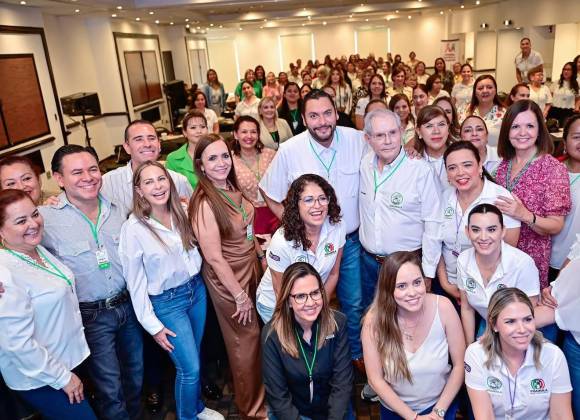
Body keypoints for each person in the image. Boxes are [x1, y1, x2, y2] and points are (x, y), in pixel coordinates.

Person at [260, 89, 367, 371]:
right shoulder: (290, 150)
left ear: (336, 113)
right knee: (307, 301)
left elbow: (389, 149)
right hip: (304, 243)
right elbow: (269, 191)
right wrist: (295, 223)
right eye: (314, 116)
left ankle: (356, 354)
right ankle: (315, 356)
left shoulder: (358, 140)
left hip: (348, 240)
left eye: (327, 113)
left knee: (354, 302)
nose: (322, 121)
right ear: (304, 119)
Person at [40, 145, 144, 420]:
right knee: (109, 386)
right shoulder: (45, 218)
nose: (88, 177)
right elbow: (14, 242)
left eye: (93, 169)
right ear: (59, 179)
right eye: (77, 172)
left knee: (135, 375)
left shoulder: (118, 208)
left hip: (128, 306)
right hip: (90, 315)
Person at [119, 161, 223, 420]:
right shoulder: (134, 229)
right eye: (149, 182)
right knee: (190, 369)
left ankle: (197, 408)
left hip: (196, 292)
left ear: (169, 181)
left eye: (161, 179)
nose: (157, 186)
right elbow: (135, 283)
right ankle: (188, 416)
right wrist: (153, 326)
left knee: (194, 358)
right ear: (139, 190)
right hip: (167, 304)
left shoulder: (183, 212)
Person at [0, 189, 96, 420]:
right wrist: (63, 378)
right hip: (41, 376)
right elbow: (17, 344)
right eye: (21, 221)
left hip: (65, 360)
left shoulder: (37, 250)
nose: (33, 224)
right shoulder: (5, 274)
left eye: (34, 214)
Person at [189, 134, 267, 419]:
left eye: (224, 156)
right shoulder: (204, 202)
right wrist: (239, 295)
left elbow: (248, 229)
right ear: (201, 165)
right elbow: (213, 257)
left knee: (258, 338)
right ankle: (252, 409)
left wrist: (261, 257)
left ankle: (262, 394)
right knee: (244, 342)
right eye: (212, 158)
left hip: (251, 266)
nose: (221, 163)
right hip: (229, 278)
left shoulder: (231, 186)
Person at [362, 251, 465, 419]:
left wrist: (438, 412)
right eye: (402, 286)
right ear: (388, 289)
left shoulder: (444, 307)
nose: (412, 293)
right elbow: (375, 380)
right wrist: (413, 417)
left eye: (417, 282)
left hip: (440, 406)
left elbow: (460, 365)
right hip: (396, 410)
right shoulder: (373, 321)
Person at [359, 109, 442, 307]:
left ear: (402, 132)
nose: (388, 141)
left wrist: (428, 272)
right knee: (373, 315)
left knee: (407, 319)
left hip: (407, 265)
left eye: (393, 133)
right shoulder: (364, 164)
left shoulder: (420, 170)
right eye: (380, 135)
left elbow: (434, 223)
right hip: (369, 263)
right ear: (368, 139)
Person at [494, 100, 571, 289]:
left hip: (530, 259)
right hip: (497, 255)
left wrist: (524, 214)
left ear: (539, 130)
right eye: (515, 126)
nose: (522, 132)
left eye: (529, 126)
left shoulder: (553, 169)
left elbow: (556, 225)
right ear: (507, 131)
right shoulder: (502, 166)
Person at [262, 262, 353, 420]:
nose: (310, 303)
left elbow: (342, 384)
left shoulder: (338, 323)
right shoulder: (272, 335)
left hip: (334, 411)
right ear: (288, 301)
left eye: (315, 293)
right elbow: (279, 397)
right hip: (294, 413)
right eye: (300, 296)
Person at [464, 288, 572, 419]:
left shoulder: (553, 356)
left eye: (527, 319)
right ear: (493, 325)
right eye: (510, 321)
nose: (522, 329)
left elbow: (561, 416)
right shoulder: (476, 354)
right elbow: (485, 416)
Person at [256, 174, 344, 323]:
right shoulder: (282, 241)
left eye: (322, 198)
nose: (317, 205)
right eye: (309, 200)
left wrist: (319, 308)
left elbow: (333, 274)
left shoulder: (337, 227)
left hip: (312, 303)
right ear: (296, 205)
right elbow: (280, 291)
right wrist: (299, 324)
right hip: (276, 305)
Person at [438, 141, 520, 299]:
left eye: (467, 165)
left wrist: (471, 290)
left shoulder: (500, 198)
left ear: (480, 166)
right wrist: (445, 284)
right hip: (448, 283)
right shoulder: (443, 198)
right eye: (452, 168)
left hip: (486, 289)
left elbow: (508, 251)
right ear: (447, 174)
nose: (460, 172)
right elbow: (436, 244)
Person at [458, 203, 539, 344]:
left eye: (491, 229)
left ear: (503, 231)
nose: (483, 237)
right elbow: (467, 308)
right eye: (476, 230)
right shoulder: (463, 260)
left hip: (520, 328)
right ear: (467, 232)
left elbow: (530, 313)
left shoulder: (522, 263)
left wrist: (493, 337)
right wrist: (469, 348)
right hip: (488, 323)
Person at [102, 120, 193, 217]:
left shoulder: (178, 181)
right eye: (139, 139)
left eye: (151, 138)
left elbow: (192, 217)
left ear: (159, 144)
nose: (147, 144)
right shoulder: (108, 183)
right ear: (127, 147)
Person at [231, 116, 278, 236]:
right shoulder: (230, 160)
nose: (249, 136)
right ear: (236, 135)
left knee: (277, 245)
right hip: (247, 217)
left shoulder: (270, 155)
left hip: (275, 213)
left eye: (253, 132)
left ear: (258, 134)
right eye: (244, 132)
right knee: (252, 244)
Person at [549, 114, 580, 279]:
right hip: (547, 259)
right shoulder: (550, 171)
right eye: (576, 137)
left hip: (576, 264)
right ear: (565, 142)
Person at [413, 105, 454, 191]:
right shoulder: (412, 162)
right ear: (419, 131)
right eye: (429, 126)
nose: (436, 131)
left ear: (448, 128)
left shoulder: (460, 155)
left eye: (441, 124)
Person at [458, 75, 506, 147]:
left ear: (495, 90)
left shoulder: (505, 113)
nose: (485, 91)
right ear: (475, 92)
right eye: (480, 88)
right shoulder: (463, 111)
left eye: (489, 87)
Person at [166, 110, 208, 188]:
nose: (199, 131)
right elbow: (171, 189)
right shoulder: (173, 159)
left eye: (203, 127)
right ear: (184, 132)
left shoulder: (217, 152)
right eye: (193, 127)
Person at [547, 62, 580, 127]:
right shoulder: (556, 83)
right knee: (552, 129)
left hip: (568, 112)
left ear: (573, 71)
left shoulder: (575, 85)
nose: (566, 71)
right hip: (554, 110)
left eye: (568, 69)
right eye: (564, 69)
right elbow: (550, 97)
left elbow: (578, 98)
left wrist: (576, 108)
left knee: (565, 130)